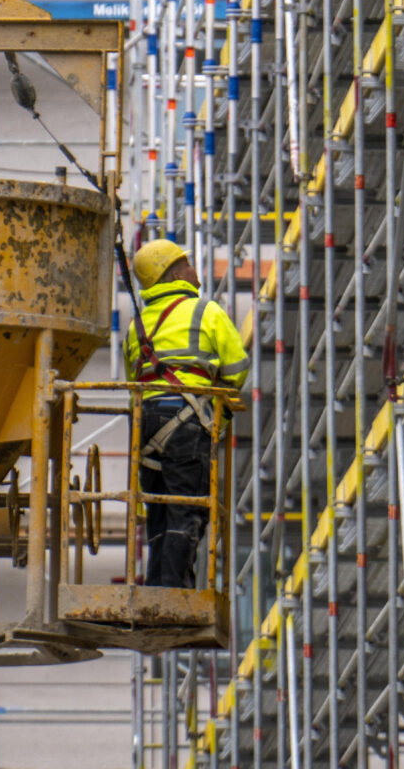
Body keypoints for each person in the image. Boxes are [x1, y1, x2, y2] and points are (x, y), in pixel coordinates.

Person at [124, 237, 248, 588]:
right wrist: (218, 416)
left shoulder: (137, 325)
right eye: (187, 263)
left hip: (147, 423)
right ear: (174, 271)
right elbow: (237, 368)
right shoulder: (205, 311)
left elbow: (132, 381)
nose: (195, 270)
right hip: (188, 420)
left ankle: (157, 587)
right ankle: (175, 593)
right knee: (187, 507)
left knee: (158, 508)